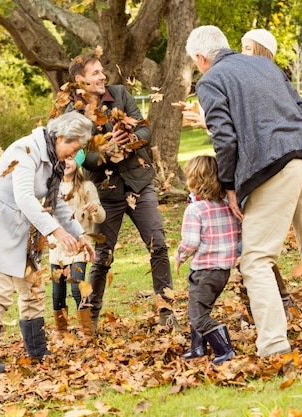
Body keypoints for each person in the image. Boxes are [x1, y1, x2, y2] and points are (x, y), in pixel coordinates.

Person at [185, 25, 302, 358]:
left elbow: (225, 139)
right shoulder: (265, 65)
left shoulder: (210, 81)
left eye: (195, 63)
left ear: (201, 58)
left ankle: (274, 345)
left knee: (256, 260)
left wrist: (230, 186)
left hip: (273, 169)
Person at [0, 111, 96, 373]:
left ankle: (38, 352)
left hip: (20, 234)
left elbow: (56, 203)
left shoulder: (54, 159)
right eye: (73, 149)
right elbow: (25, 198)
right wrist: (56, 233)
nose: (74, 156)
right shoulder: (25, 151)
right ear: (62, 137)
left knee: (33, 289)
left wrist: (79, 234)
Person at [177, 28, 300, 322]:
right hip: (279, 164)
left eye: (248, 47)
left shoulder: (222, 78)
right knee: (252, 247)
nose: (241, 53)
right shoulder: (250, 77)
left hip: (258, 173)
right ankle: (272, 304)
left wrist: (229, 185)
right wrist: (209, 122)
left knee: (252, 250)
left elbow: (231, 137)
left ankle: (269, 310)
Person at [62, 53, 179, 332]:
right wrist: (105, 149)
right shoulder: (73, 114)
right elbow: (81, 159)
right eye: (96, 73)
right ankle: (90, 321)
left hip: (139, 184)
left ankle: (167, 312)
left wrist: (129, 141)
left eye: (103, 71)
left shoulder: (120, 94)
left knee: (158, 244)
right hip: (104, 193)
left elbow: (145, 132)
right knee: (102, 257)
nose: (103, 76)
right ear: (80, 80)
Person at [174, 155, 239, 365]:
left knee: (198, 315)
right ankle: (198, 348)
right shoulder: (227, 206)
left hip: (204, 270)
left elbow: (191, 242)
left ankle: (224, 350)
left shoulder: (195, 210)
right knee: (201, 308)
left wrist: (179, 256)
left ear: (195, 181)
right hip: (223, 270)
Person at [48, 149, 106, 338]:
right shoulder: (51, 186)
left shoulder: (86, 187)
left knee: (76, 287)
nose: (66, 162)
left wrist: (95, 209)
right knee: (58, 292)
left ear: (78, 162)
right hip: (57, 248)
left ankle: (87, 330)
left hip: (79, 248)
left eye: (71, 158)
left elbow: (100, 217)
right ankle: (61, 331)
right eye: (63, 158)